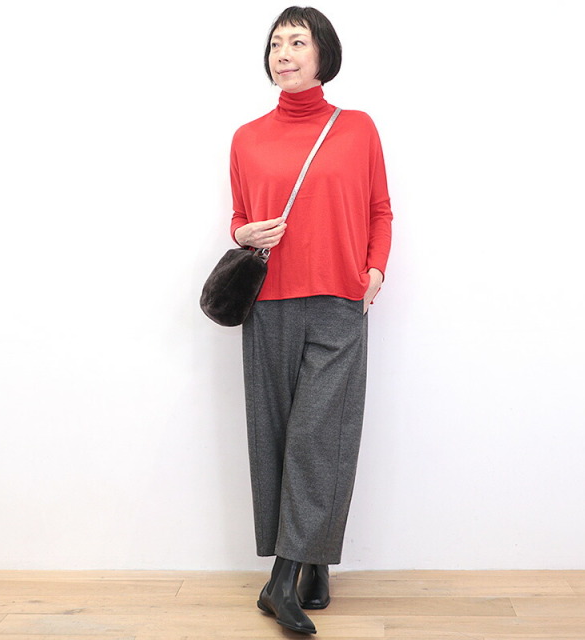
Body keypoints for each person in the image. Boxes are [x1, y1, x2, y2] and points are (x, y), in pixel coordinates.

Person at [229, 6, 393, 635]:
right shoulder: (246, 138)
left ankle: (280, 581)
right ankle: (314, 563)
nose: (284, 53)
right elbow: (239, 217)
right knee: (275, 436)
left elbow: (380, 208)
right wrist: (244, 232)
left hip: (338, 303)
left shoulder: (357, 128)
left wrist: (375, 268)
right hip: (268, 303)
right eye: (276, 43)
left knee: (321, 437)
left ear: (323, 53)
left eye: (298, 42)